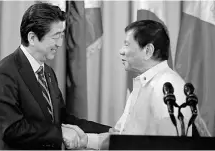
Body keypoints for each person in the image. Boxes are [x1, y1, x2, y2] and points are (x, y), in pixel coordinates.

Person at [63, 20, 211, 150]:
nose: (121, 51)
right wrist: (86, 140)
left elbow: (171, 147)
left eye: (126, 44)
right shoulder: (146, 83)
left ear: (148, 51)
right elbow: (122, 138)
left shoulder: (168, 87)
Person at [0, 2, 111, 150]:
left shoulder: (48, 72)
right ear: (32, 38)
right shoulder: (4, 72)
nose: (60, 43)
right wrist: (59, 134)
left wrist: (109, 131)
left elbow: (63, 119)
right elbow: (12, 130)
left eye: (62, 35)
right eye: (55, 36)